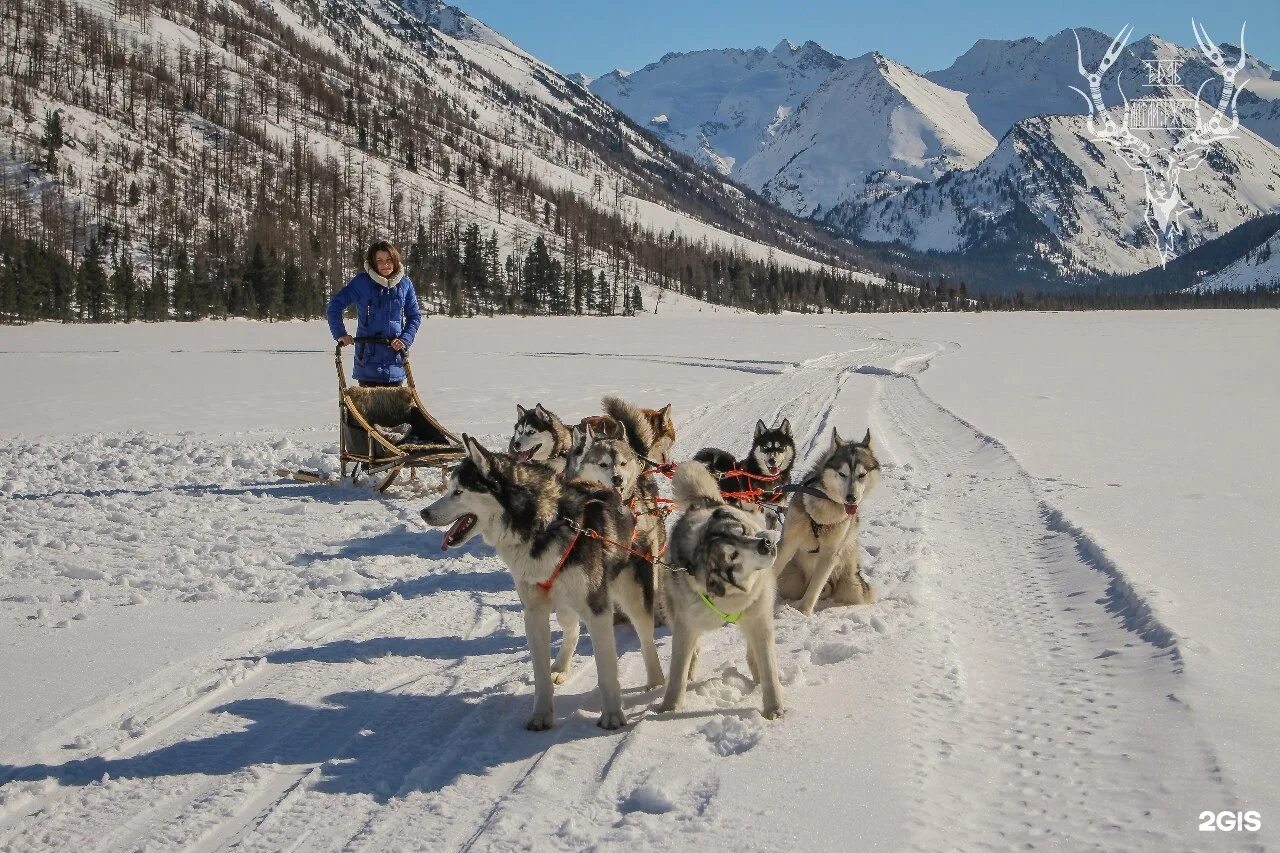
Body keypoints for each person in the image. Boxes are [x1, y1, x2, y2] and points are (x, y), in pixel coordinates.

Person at [327, 241, 422, 387]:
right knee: (368, 409)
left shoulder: (405, 284)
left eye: (389, 260)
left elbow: (414, 316)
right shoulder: (362, 283)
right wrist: (341, 334)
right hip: (367, 360)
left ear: (395, 260)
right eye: (380, 260)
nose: (385, 265)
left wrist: (404, 339)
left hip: (395, 360)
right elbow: (334, 306)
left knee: (395, 409)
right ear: (373, 262)